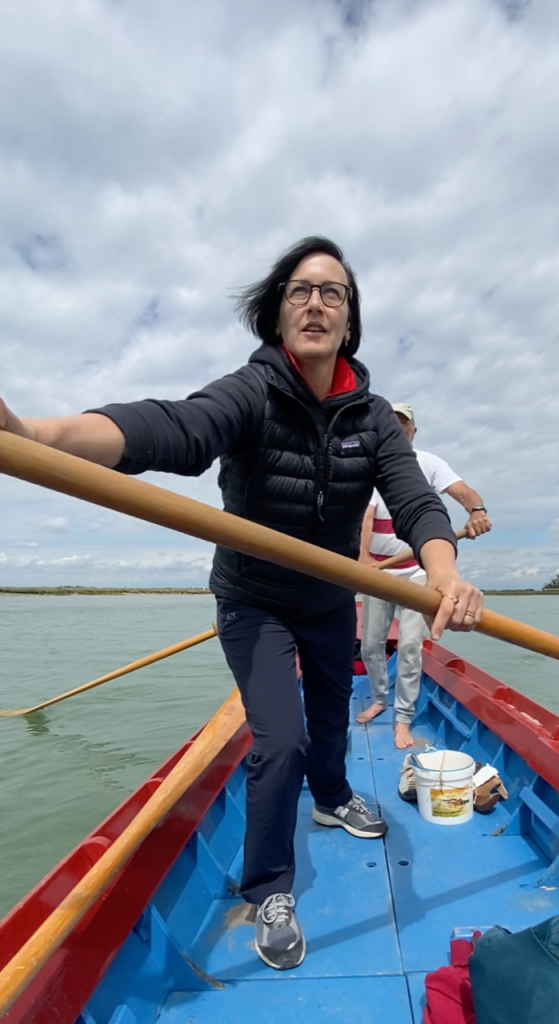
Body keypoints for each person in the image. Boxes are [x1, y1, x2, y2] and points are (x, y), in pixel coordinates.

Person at [0, 236, 483, 971]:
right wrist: (34, 436)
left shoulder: (375, 415)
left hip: (326, 600)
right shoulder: (252, 391)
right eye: (299, 290)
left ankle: (332, 795)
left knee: (328, 719)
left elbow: (415, 500)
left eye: (332, 292)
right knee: (278, 739)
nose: (315, 302)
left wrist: (443, 572)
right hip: (253, 600)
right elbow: (172, 427)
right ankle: (269, 887)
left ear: (348, 320)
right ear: (277, 313)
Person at [358, 403, 491, 750]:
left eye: (404, 424)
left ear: (413, 432)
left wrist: (476, 510)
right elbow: (366, 519)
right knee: (371, 645)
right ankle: (378, 698)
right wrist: (360, 559)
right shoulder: (370, 463)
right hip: (379, 572)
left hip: (418, 572)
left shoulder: (428, 462)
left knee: (410, 646)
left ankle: (402, 718)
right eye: (392, 423)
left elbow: (463, 492)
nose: (398, 429)